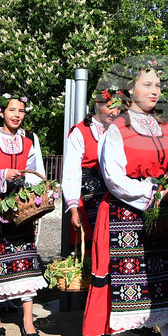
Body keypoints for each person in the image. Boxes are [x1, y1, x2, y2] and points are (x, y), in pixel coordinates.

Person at [83, 67, 168, 336]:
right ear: (130, 89)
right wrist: (155, 195)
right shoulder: (117, 128)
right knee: (127, 302)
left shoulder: (166, 127)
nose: (155, 91)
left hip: (165, 219)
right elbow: (113, 179)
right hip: (127, 218)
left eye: (157, 85)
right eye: (147, 85)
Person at [0, 94, 47, 336]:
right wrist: (2, 175)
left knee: (27, 262)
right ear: (1, 112)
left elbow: (36, 172)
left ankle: (28, 321)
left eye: (21, 110)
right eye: (12, 110)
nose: (17, 115)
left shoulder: (29, 141)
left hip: (23, 210)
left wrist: (29, 188)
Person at [62, 89, 123, 249]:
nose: (115, 113)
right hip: (89, 193)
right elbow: (71, 171)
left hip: (113, 191)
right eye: (110, 107)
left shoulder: (118, 130)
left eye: (118, 108)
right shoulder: (80, 131)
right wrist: (74, 208)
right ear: (97, 104)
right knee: (94, 241)